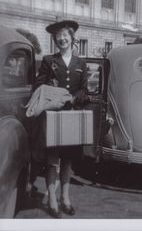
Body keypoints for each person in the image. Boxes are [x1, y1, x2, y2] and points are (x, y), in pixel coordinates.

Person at [34, 20, 88, 218]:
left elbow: (84, 89)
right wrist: (53, 90)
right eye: (58, 37)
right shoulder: (49, 61)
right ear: (55, 41)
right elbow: (38, 86)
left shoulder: (80, 64)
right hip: (53, 118)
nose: (62, 39)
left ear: (72, 38)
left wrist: (75, 98)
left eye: (65, 35)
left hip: (71, 118)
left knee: (67, 162)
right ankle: (52, 200)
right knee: (52, 162)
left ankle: (65, 198)